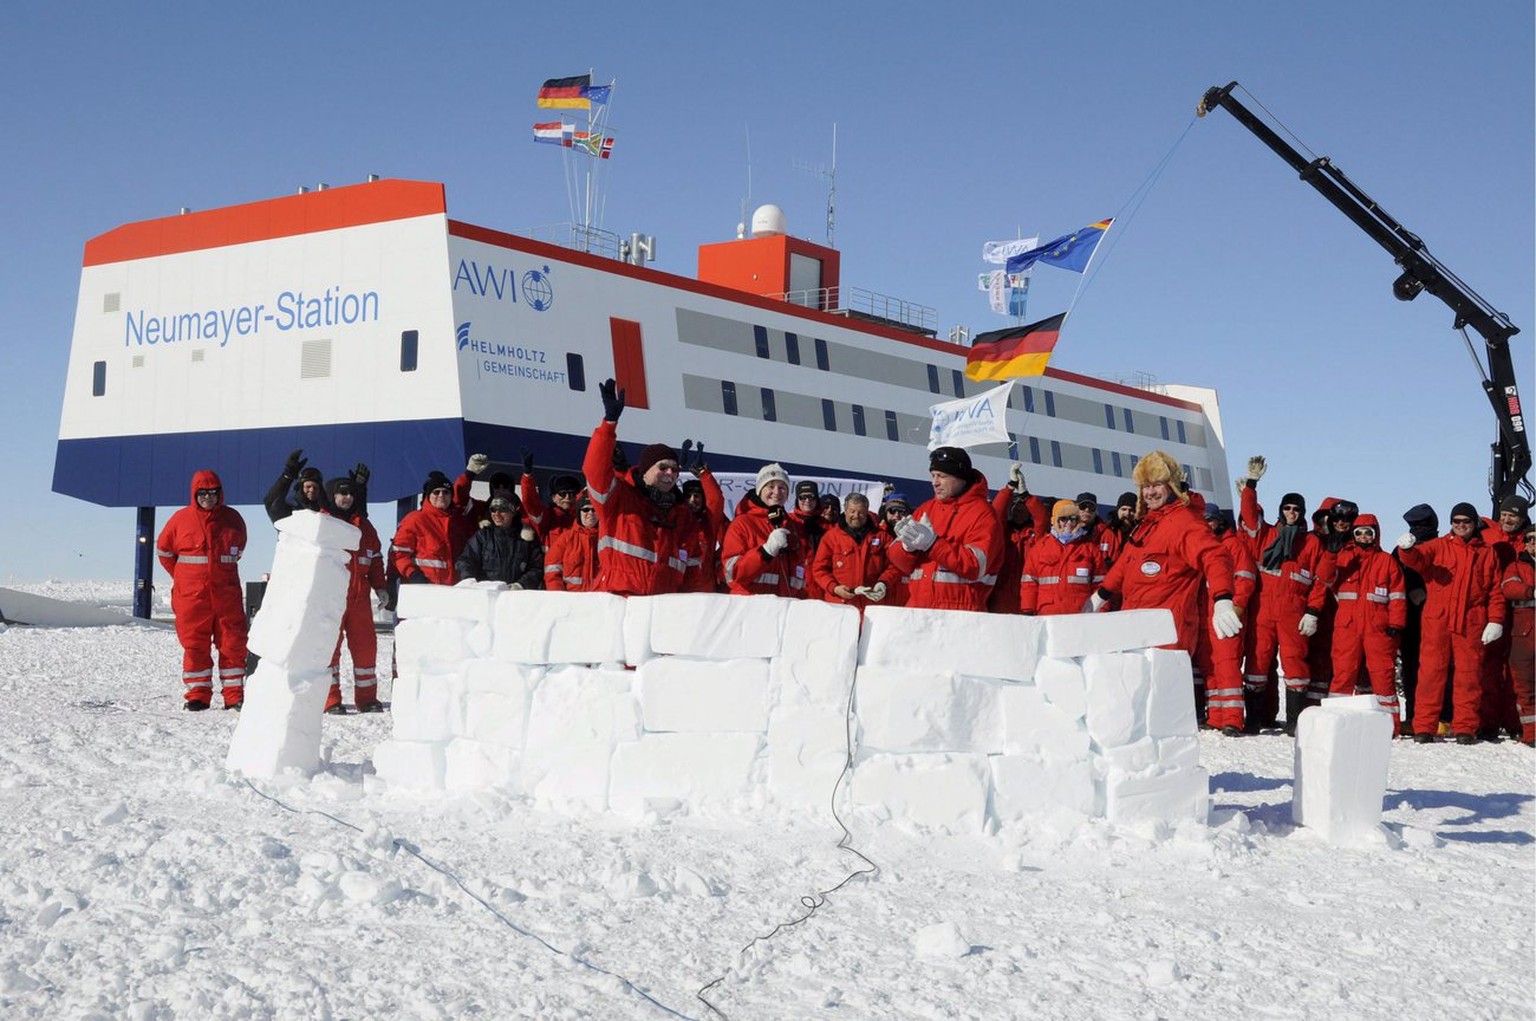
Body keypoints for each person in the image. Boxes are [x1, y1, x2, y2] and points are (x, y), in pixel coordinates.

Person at [1091, 454, 1241, 700]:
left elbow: (1215, 556)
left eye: (1156, 484)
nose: (1150, 492)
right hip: (1136, 628)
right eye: (1145, 486)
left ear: (1171, 485)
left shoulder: (1184, 521)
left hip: (1168, 634)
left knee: (1163, 708)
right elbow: (1125, 564)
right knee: (1138, 705)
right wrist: (1100, 596)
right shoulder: (1148, 524)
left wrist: (1223, 598)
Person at [1236, 456, 1336, 734]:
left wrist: (1313, 611)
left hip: (1295, 611)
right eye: (1287, 508)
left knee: (1295, 665)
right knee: (1256, 663)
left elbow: (1320, 582)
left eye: (1296, 509)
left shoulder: (1311, 543)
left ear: (1302, 512)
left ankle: (1295, 721)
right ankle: (1254, 719)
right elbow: (1248, 515)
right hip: (1263, 609)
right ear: (1281, 510)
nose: (1291, 512)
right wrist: (1252, 483)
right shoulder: (1265, 535)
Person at [1396, 502, 1508, 743]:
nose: (1461, 526)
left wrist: (1495, 620)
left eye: (1465, 522)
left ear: (1474, 523)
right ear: (1451, 524)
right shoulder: (1438, 546)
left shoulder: (1487, 553)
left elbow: (1495, 591)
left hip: (1472, 620)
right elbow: (1416, 559)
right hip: (1438, 618)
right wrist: (1406, 549)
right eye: (1456, 522)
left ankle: (1465, 727)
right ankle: (1424, 726)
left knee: (1469, 675)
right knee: (1430, 674)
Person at [583, 379, 702, 596]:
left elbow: (693, 576)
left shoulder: (683, 517)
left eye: (674, 470)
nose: (670, 474)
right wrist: (609, 424)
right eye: (663, 467)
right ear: (645, 471)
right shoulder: (619, 499)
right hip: (617, 605)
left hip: (660, 613)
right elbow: (594, 471)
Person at [156, 471, 248, 711]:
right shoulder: (180, 520)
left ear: (220, 493)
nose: (208, 497)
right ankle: (198, 695)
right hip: (192, 597)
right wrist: (184, 578)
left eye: (213, 493)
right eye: (203, 493)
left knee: (232, 643)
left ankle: (234, 695)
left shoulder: (233, 519)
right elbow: (164, 551)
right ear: (194, 494)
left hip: (227, 595)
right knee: (194, 645)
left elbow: (238, 550)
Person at [885, 446, 1004, 611]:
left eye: (942, 476)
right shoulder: (926, 509)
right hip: (918, 610)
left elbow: (976, 565)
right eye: (933, 476)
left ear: (960, 478)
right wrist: (906, 548)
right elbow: (898, 561)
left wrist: (933, 544)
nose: (935, 482)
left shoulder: (983, 513)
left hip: (961, 613)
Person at [1328, 513, 1407, 729]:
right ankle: (1337, 722)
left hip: (1378, 628)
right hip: (1347, 626)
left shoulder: (1387, 562)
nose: (1363, 537)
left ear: (1376, 535)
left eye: (1368, 533)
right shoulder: (1344, 557)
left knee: (1382, 675)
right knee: (1343, 674)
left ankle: (1389, 725)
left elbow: (1398, 595)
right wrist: (1330, 553)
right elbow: (1326, 578)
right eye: (1359, 533)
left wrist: (1396, 624)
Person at [324, 473, 388, 713]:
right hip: (330, 598)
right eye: (342, 493)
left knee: (366, 649)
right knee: (329, 650)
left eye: (350, 493)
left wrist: (380, 587)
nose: (347, 497)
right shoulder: (324, 523)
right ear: (332, 495)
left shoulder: (365, 526)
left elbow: (375, 559)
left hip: (359, 598)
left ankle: (367, 699)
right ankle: (330, 700)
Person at [1195, 502, 1256, 734]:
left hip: (1226, 613)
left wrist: (1236, 608)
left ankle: (1233, 718)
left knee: (1227, 664)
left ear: (1220, 521)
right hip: (1205, 614)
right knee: (1209, 665)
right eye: (1204, 521)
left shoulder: (1233, 546)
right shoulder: (1202, 548)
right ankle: (1217, 715)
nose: (1208, 525)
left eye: (1210, 520)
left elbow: (1246, 578)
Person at [1479, 495, 1530, 739]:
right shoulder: (1487, 536)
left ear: (1522, 518)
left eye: (1514, 515)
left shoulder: (1528, 541)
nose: (1508, 519)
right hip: (1489, 609)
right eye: (1505, 514)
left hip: (1519, 614)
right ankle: (1487, 722)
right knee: (1488, 667)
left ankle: (1514, 721)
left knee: (1516, 671)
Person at [722, 463, 810, 597]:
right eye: (771, 486)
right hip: (750, 606)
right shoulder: (742, 524)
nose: (777, 492)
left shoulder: (792, 527)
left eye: (782, 488)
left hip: (784, 609)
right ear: (759, 490)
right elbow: (733, 574)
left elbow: (800, 578)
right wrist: (765, 552)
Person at [812, 492, 900, 612]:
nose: (856, 515)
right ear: (845, 510)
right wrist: (834, 588)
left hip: (872, 606)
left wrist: (883, 583)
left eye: (861, 512)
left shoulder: (882, 537)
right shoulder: (831, 537)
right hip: (840, 606)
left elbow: (895, 565)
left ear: (867, 511)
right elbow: (819, 569)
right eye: (852, 511)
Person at [1020, 498, 1107, 618]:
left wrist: (1101, 612)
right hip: (1047, 615)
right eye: (1063, 519)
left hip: (1080, 616)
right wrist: (1028, 610)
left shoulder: (1090, 549)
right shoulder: (1041, 547)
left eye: (1073, 518)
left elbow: (1100, 584)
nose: (1069, 523)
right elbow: (1029, 582)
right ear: (1054, 521)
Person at [392, 472, 477, 585]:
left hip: (455, 590)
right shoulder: (415, 520)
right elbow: (398, 554)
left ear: (451, 496)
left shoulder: (461, 523)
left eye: (446, 492)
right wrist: (413, 574)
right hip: (423, 589)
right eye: (436, 492)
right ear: (428, 496)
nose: (441, 495)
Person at [455, 496, 544, 588]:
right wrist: (469, 579)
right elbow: (466, 560)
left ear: (513, 512)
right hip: (487, 595)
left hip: (516, 596)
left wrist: (521, 584)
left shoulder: (526, 538)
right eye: (493, 510)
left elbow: (537, 567)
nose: (497, 514)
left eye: (502, 509)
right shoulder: (483, 536)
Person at [1499, 521, 1536, 745]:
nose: (1533, 543)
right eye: (1529, 539)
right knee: (1525, 684)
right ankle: (1532, 732)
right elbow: (1508, 587)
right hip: (1524, 632)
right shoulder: (1516, 566)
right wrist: (1531, 590)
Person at [544, 496, 601, 591]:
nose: (590, 513)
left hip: (598, 600)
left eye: (594, 510)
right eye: (586, 510)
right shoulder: (565, 539)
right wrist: (560, 597)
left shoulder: (606, 540)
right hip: (570, 601)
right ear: (579, 513)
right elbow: (552, 572)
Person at [263, 449, 329, 523]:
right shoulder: (291, 508)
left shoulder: (327, 510)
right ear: (301, 488)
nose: (311, 490)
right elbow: (271, 502)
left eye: (315, 487)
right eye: (308, 487)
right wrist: (287, 476)